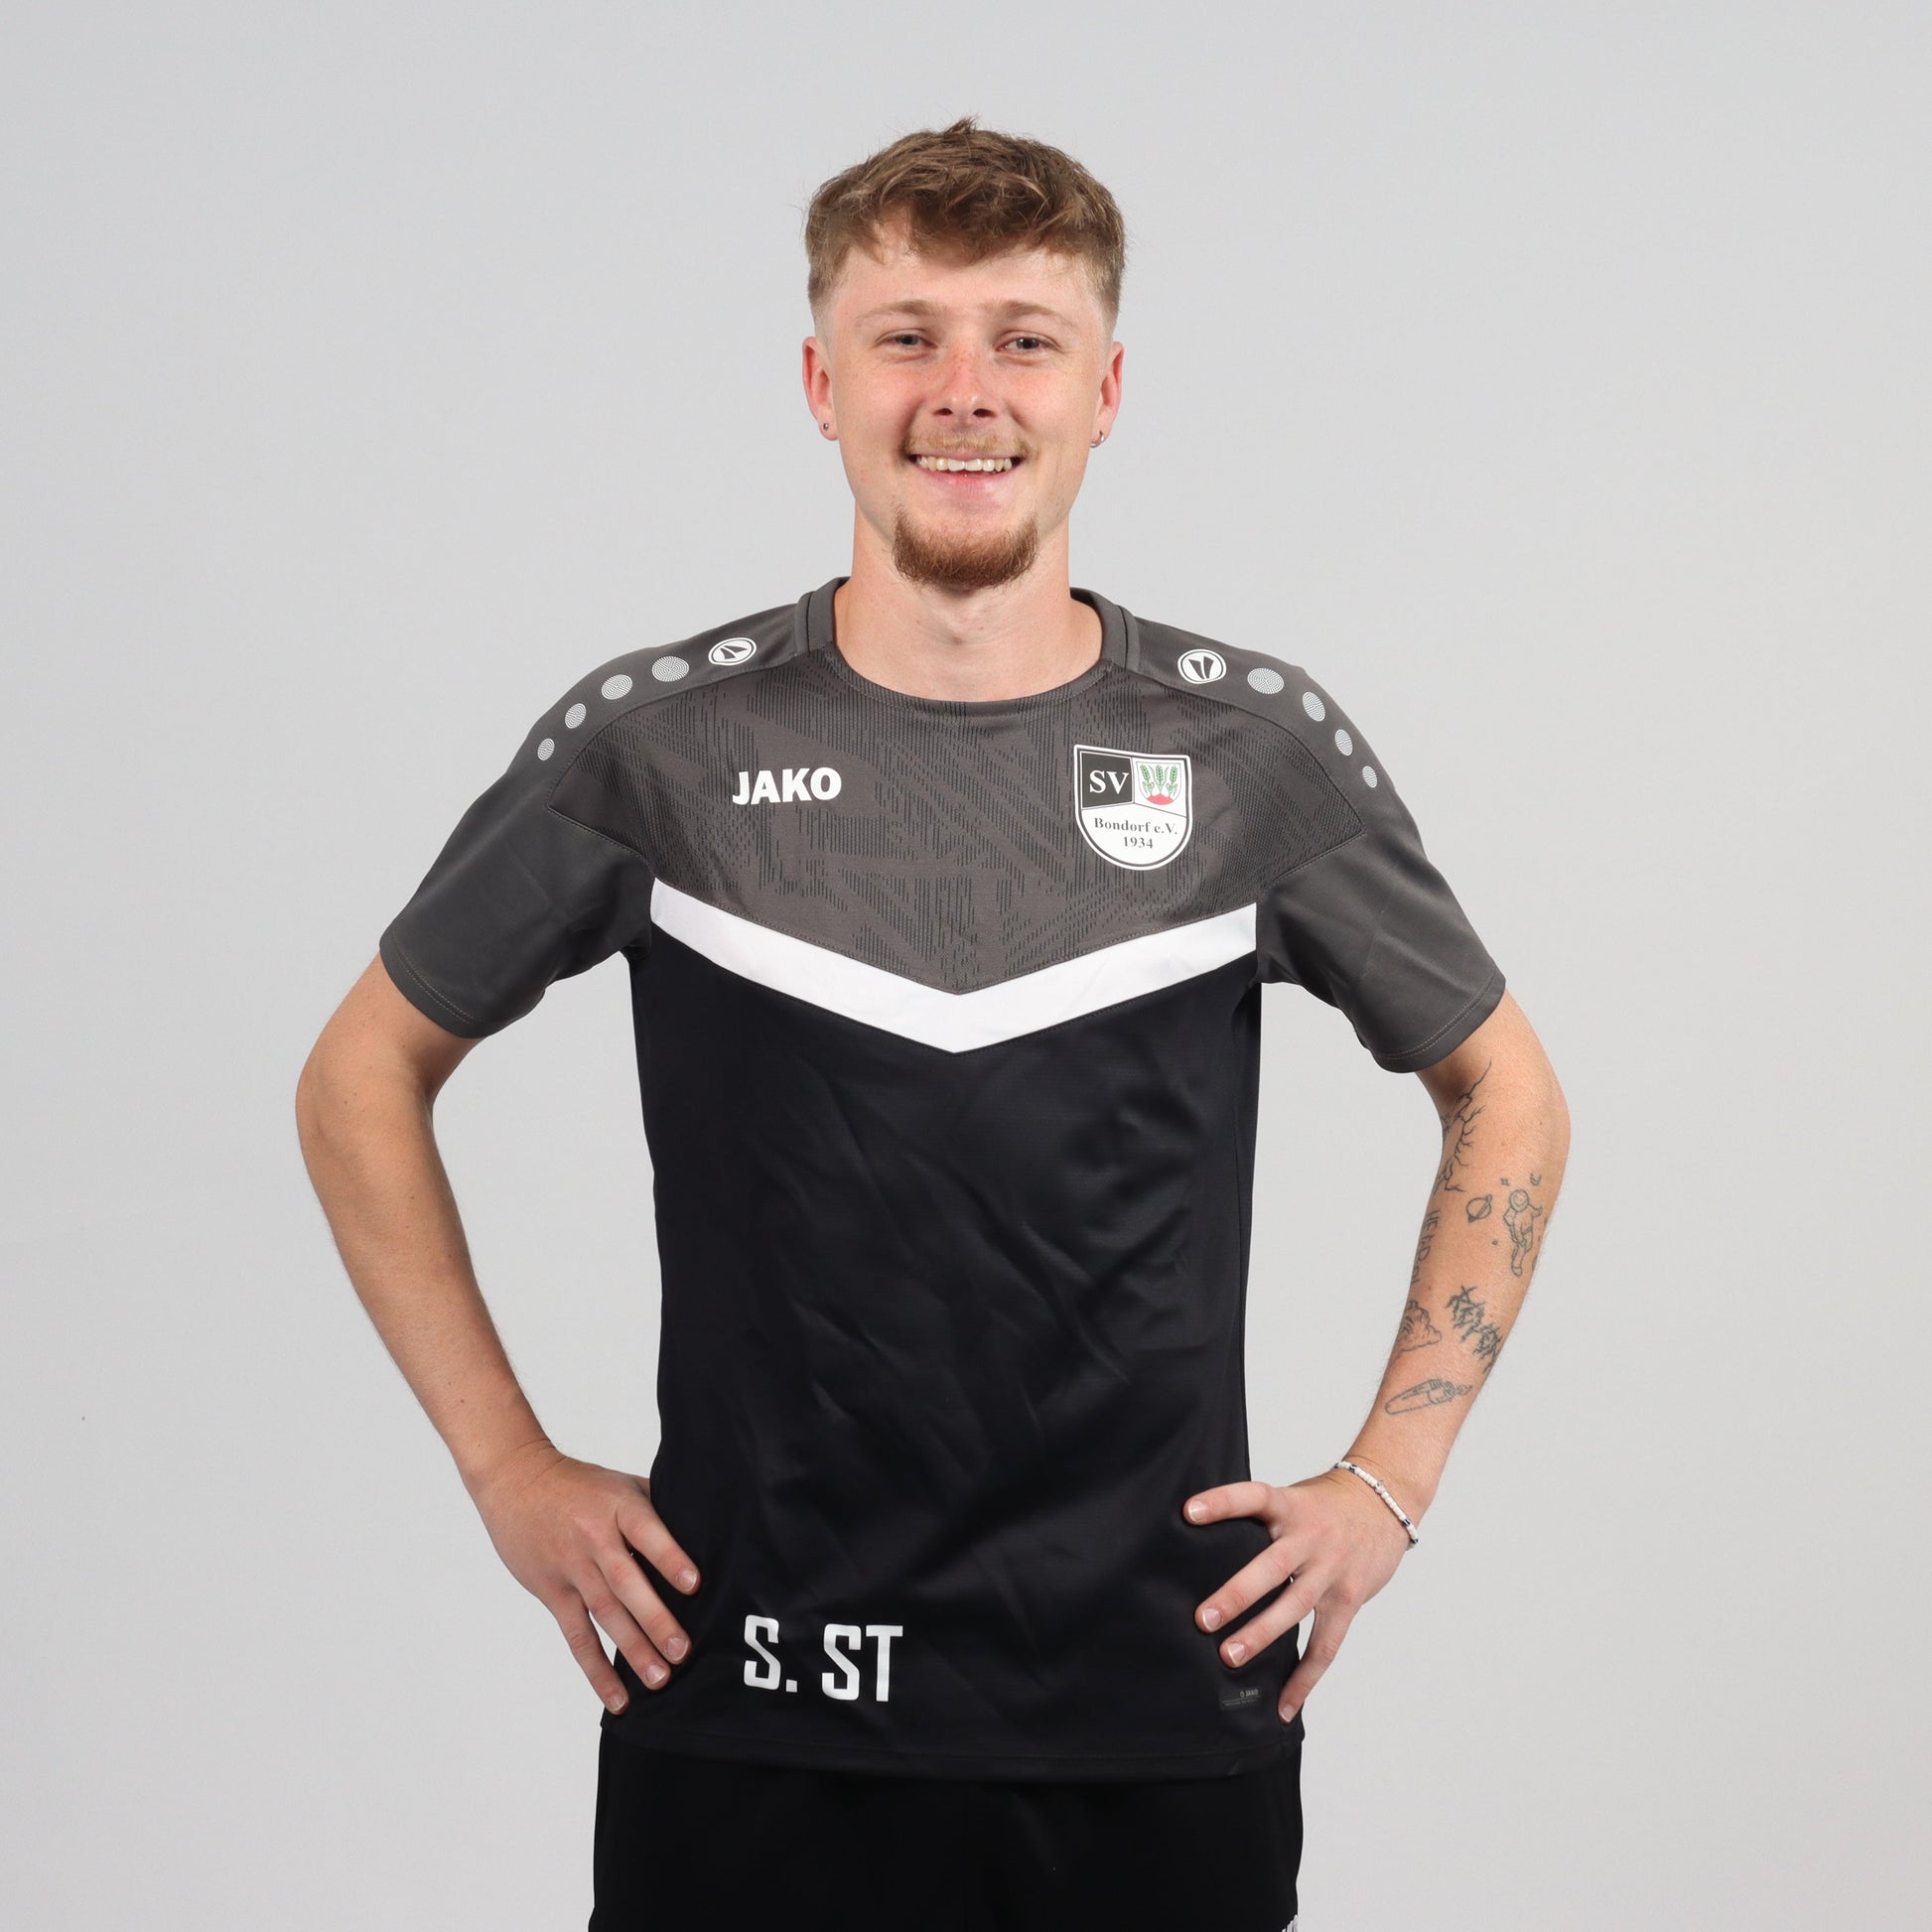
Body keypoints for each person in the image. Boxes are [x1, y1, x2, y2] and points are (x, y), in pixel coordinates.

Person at [296, 117, 1571, 1932]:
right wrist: (505, 1465)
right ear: (822, 383)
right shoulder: (658, 751)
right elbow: (359, 1074)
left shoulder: (1249, 757)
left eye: (1022, 340)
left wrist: (1390, 1476)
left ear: (1103, 391)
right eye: (906, 336)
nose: (964, 391)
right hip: (750, 1694)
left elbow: (1507, 1092)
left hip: (1147, 1706)